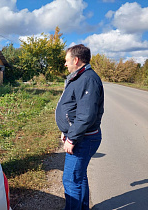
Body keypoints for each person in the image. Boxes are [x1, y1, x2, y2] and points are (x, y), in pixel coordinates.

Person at [55, 44, 104, 210]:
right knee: (79, 176)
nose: (65, 64)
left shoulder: (87, 79)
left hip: (84, 138)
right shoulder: (79, 77)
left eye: (67, 60)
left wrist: (72, 138)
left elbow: (86, 115)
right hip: (81, 136)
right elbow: (75, 108)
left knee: (71, 180)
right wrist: (66, 131)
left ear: (76, 60)